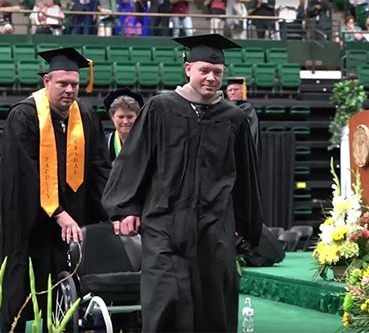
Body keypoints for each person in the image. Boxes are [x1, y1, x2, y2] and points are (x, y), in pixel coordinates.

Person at [101, 34, 263, 333]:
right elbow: (135, 159)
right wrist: (126, 208)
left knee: (213, 303)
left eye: (217, 72)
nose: (211, 77)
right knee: (165, 299)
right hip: (164, 222)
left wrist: (245, 224)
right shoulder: (161, 107)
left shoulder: (233, 118)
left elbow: (245, 176)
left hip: (214, 226)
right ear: (188, 68)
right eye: (204, 70)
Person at [0, 47, 111, 332]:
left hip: (70, 224)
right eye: (63, 83)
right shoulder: (24, 116)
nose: (70, 90)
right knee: (21, 291)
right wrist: (57, 212)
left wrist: (115, 210)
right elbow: (24, 173)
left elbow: (99, 168)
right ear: (47, 81)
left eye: (75, 84)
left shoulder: (85, 116)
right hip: (28, 223)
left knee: (63, 295)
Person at [103, 87, 144, 162]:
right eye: (121, 117)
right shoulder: (105, 143)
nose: (125, 121)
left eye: (130, 117)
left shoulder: (146, 143)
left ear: (138, 117)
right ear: (112, 117)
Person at [225, 77, 260, 152]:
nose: (233, 92)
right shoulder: (224, 107)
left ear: (242, 91)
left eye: (236, 90)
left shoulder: (248, 108)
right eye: (230, 90)